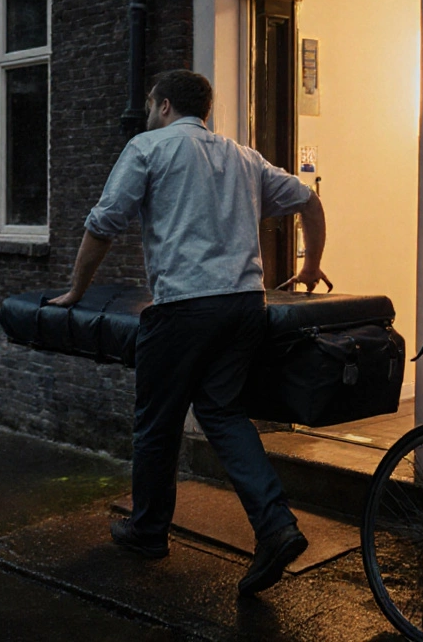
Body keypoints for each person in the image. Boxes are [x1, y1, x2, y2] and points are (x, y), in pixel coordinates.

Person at [48, 69, 331, 596]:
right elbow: (309, 202)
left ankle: (149, 531)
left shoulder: (149, 148)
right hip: (245, 305)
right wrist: (312, 264)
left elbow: (103, 223)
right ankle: (275, 526)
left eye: (151, 103)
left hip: (183, 308)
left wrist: (75, 292)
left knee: (157, 422)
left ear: (162, 106)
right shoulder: (243, 158)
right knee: (223, 413)